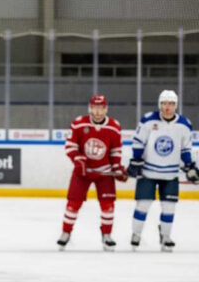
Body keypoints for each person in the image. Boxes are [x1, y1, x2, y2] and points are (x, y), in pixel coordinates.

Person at [128, 90, 198, 251]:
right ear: (160, 104)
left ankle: (166, 237)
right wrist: (136, 160)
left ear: (176, 106)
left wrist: (190, 167)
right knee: (142, 206)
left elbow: (186, 149)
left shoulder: (184, 124)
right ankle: (136, 234)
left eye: (171, 104)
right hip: (148, 172)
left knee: (169, 207)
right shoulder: (147, 120)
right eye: (164, 103)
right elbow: (138, 142)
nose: (167, 107)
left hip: (171, 174)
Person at [57, 94, 127, 251]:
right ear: (90, 108)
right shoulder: (79, 123)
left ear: (106, 109)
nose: (97, 112)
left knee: (108, 205)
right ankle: (66, 233)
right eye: (94, 108)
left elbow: (116, 150)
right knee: (73, 204)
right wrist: (78, 159)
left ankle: (107, 235)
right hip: (82, 171)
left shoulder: (114, 126)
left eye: (101, 108)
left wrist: (116, 167)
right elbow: (70, 146)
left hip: (104, 172)